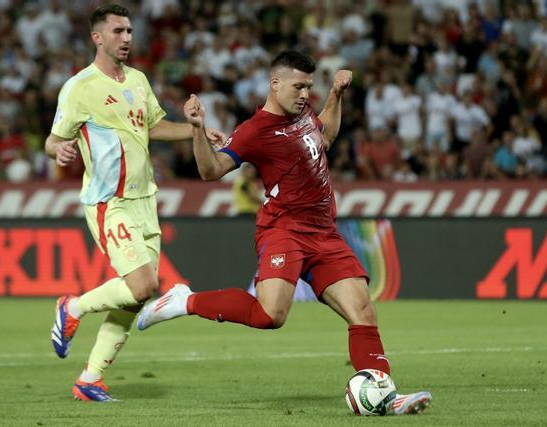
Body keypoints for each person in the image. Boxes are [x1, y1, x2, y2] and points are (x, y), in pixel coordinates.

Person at [137, 50, 432, 415]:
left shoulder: (305, 113)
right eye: (298, 86)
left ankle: (383, 394)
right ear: (275, 84)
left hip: (324, 232)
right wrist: (197, 129)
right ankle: (185, 301)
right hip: (284, 231)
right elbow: (211, 171)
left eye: (309, 86)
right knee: (269, 315)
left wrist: (335, 95)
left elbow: (326, 136)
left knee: (363, 310)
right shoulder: (254, 131)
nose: (305, 93)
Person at [45, 4, 224, 402]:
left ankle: (89, 379)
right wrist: (59, 150)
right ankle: (73, 308)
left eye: (129, 31)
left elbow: (153, 125)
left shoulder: (139, 80)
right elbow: (54, 137)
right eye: (118, 31)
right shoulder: (79, 87)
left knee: (135, 296)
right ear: (97, 37)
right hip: (111, 201)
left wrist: (195, 129)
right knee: (144, 284)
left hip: (146, 200)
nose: (127, 38)